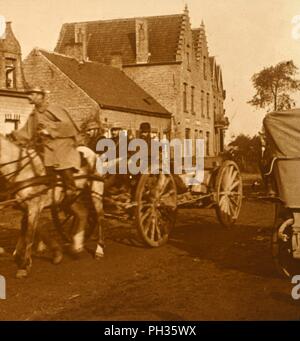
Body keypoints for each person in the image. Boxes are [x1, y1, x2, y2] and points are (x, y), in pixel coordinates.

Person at [9, 87, 81, 198]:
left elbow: (68, 124)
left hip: (62, 140)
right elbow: (27, 132)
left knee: (60, 159)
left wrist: (49, 130)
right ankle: (48, 187)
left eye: (31, 94)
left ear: (40, 96)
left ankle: (71, 188)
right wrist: (12, 136)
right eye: (29, 94)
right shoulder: (34, 115)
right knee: (34, 159)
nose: (28, 96)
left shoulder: (53, 108)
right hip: (47, 145)